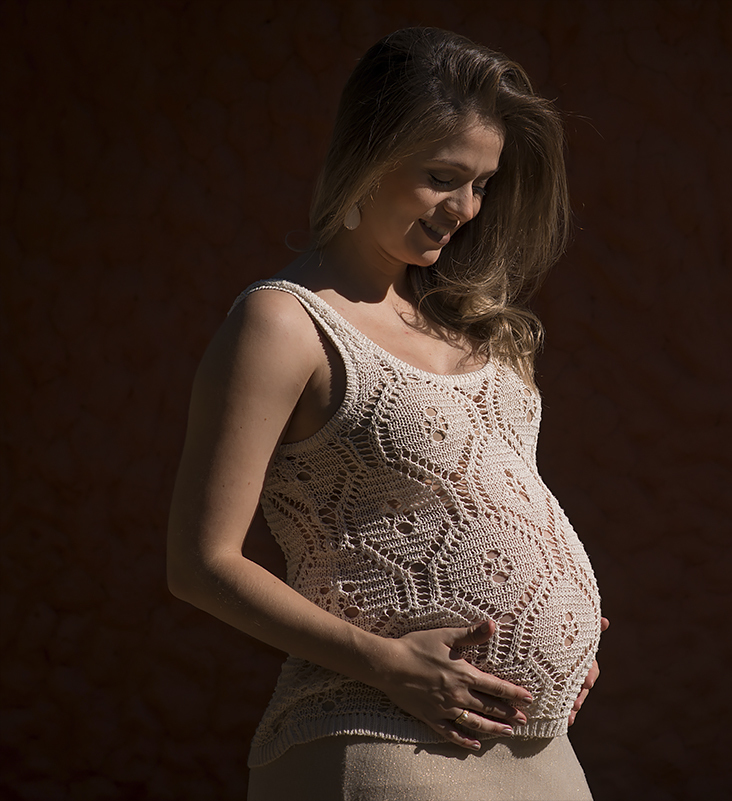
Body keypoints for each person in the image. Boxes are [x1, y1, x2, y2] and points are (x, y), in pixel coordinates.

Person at [167, 27, 606, 801]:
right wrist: (388, 662)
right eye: (442, 177)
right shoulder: (284, 323)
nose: (465, 208)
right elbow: (201, 563)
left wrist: (563, 629)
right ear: (370, 155)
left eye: (482, 183)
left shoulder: (467, 320)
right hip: (382, 735)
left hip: (540, 745)